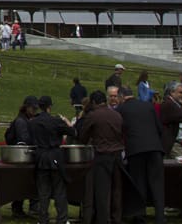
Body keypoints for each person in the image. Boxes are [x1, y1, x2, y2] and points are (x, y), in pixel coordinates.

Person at [117, 85, 165, 224]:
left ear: (121, 96)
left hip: (136, 150)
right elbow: (159, 128)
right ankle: (160, 217)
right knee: (157, 185)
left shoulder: (121, 109)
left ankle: (140, 216)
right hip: (155, 148)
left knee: (139, 183)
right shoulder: (148, 106)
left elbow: (120, 130)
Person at [76, 90, 125, 224]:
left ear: (93, 102)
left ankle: (103, 219)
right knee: (116, 190)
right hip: (117, 155)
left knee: (103, 192)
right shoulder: (117, 115)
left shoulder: (93, 115)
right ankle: (117, 218)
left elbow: (83, 136)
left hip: (102, 155)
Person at [31, 96, 76, 224]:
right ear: (50, 106)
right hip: (55, 156)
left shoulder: (33, 122)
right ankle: (62, 219)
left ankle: (43, 219)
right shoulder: (56, 121)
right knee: (59, 190)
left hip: (40, 157)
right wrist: (66, 121)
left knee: (43, 191)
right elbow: (73, 132)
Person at [5, 95, 39, 219]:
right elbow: (24, 139)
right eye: (33, 108)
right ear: (26, 108)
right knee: (23, 184)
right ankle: (18, 208)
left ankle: (21, 207)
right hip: (22, 157)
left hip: (23, 156)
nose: (34, 111)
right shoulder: (21, 121)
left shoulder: (25, 120)